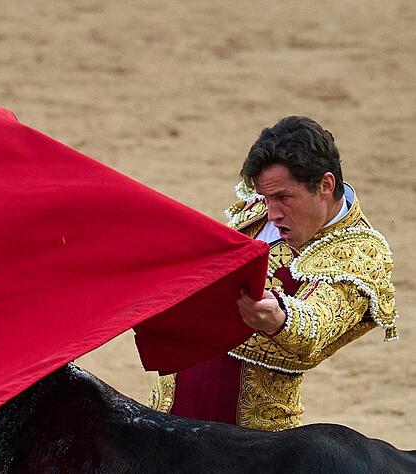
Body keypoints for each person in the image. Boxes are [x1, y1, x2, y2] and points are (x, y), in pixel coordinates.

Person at [148, 116, 398, 431]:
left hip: (255, 441)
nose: (272, 211)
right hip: (168, 416)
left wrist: (281, 318)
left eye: (283, 197)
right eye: (267, 198)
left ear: (325, 185)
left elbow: (319, 323)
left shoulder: (362, 253)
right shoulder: (260, 209)